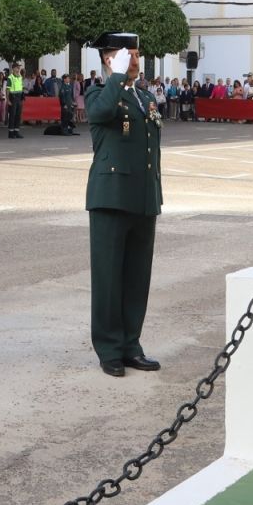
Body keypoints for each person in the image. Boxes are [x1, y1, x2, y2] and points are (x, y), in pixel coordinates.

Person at [84, 32, 162, 377]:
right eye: (127, 54)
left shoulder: (145, 97)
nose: (135, 60)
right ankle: (109, 348)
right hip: (111, 197)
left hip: (143, 196)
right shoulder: (99, 93)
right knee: (109, 277)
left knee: (136, 278)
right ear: (109, 59)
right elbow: (101, 113)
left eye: (136, 54)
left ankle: (131, 344)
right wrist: (116, 76)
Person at [6, 60, 26, 138]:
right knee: (12, 115)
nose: (18, 69)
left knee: (18, 115)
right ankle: (11, 133)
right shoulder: (10, 77)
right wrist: (8, 100)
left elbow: (21, 87)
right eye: (17, 68)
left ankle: (16, 131)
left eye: (19, 68)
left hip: (19, 97)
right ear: (13, 68)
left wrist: (22, 95)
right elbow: (7, 89)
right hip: (13, 97)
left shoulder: (20, 77)